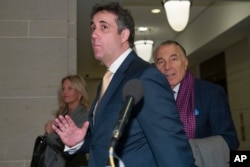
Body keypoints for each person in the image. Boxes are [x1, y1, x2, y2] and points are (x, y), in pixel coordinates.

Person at [52, 2, 195, 167]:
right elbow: (106, 139)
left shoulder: (145, 77)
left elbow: (171, 148)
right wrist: (79, 141)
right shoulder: (108, 81)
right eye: (93, 28)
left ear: (124, 35)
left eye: (104, 27)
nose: (94, 34)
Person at [153, 40, 239, 166]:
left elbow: (230, 141)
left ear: (185, 63)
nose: (167, 66)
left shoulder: (211, 93)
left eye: (174, 59)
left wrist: (184, 148)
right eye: (161, 62)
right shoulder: (150, 98)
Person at [44, 75, 89, 167]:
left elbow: (70, 146)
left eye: (70, 88)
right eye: (63, 89)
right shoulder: (62, 114)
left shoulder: (84, 116)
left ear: (80, 93)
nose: (65, 92)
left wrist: (51, 134)